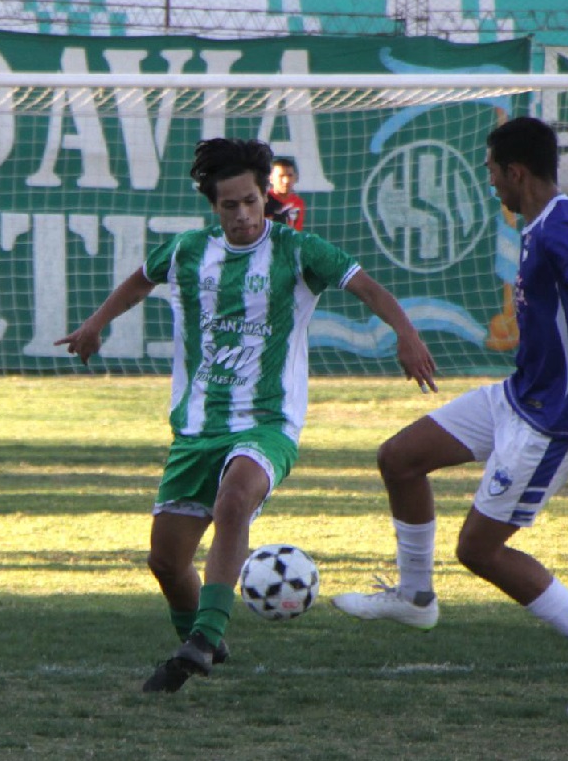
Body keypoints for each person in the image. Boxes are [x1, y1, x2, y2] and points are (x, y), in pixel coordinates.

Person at [331, 117, 568, 718]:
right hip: (522, 394)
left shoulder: (560, 225)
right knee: (400, 458)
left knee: (479, 549)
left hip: (556, 418)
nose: (491, 183)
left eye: (493, 172)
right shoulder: (555, 221)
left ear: (515, 172)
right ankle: (415, 596)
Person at [56, 138, 437, 693]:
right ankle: (201, 635)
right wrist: (95, 323)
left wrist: (406, 334)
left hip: (268, 422)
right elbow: (141, 278)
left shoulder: (298, 251)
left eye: (251, 202)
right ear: (214, 207)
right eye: (229, 205)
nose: (242, 215)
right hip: (196, 428)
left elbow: (369, 288)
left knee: (234, 500)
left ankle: (205, 638)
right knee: (165, 562)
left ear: (266, 197)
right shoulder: (188, 251)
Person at [265, 157, 306, 231]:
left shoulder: (298, 202)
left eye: (290, 175)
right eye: (281, 176)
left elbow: (297, 231)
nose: (286, 180)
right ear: (271, 179)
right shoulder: (264, 200)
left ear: (296, 178)